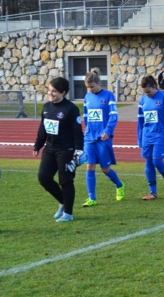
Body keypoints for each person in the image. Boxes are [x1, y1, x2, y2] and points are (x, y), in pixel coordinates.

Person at [33, 77, 84, 223]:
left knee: (66, 181)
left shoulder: (71, 109)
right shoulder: (47, 107)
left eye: (54, 91)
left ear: (63, 92)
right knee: (44, 178)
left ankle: (68, 213)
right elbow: (43, 128)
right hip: (50, 148)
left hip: (66, 150)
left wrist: (78, 150)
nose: (50, 93)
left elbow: (77, 131)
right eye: (49, 90)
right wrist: (38, 144)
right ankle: (63, 202)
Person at [81, 69, 124, 208]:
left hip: (103, 137)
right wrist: (88, 130)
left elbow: (113, 116)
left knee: (105, 169)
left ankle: (119, 185)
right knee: (89, 166)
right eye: (88, 88)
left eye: (92, 87)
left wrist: (107, 130)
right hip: (89, 137)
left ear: (99, 83)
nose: (90, 90)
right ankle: (91, 198)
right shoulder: (87, 97)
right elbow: (86, 116)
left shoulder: (108, 95)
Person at [137, 75, 164, 200]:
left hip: (161, 134)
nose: (147, 94)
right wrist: (139, 138)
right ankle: (152, 192)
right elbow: (140, 121)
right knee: (148, 162)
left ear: (154, 86)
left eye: (148, 91)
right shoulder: (142, 101)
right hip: (147, 135)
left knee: (157, 161)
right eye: (144, 92)